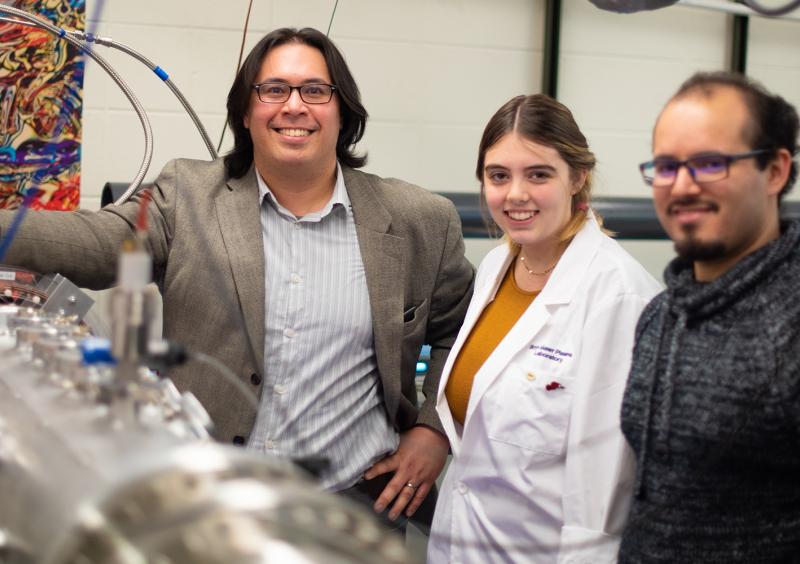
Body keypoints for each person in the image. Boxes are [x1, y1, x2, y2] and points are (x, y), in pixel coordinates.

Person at [0, 27, 474, 528]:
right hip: (205, 513)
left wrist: (435, 428)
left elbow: (462, 332)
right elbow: (94, 242)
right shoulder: (187, 195)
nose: (294, 106)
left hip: (351, 511)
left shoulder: (419, 219)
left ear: (343, 112)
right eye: (273, 90)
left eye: (315, 90)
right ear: (246, 113)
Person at [427, 94, 661, 563]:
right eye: (498, 176)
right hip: (462, 543)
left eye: (538, 174)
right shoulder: (497, 266)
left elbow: (606, 490)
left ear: (577, 177)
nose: (515, 194)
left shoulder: (620, 295)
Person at [619, 72, 800, 563]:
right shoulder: (662, 313)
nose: (681, 186)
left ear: (776, 171)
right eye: (665, 166)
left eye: (709, 163)